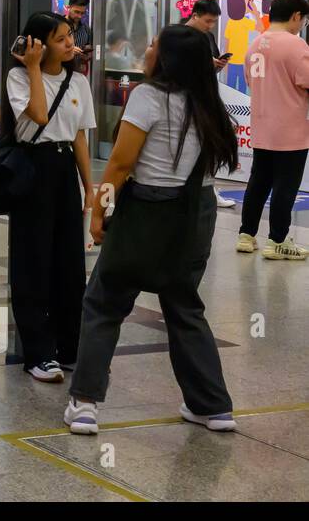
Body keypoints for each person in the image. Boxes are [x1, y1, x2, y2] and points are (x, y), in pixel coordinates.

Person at [66, 24, 239, 435]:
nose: (147, 51)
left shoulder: (147, 97)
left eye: (154, 46)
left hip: (146, 211)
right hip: (197, 212)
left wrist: (97, 211)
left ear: (168, 59)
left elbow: (122, 164)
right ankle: (213, 407)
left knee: (105, 301)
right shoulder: (210, 103)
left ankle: (86, 404)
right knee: (183, 305)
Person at [0, 11, 97, 382]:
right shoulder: (19, 77)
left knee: (70, 263)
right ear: (37, 44)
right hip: (32, 169)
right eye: (61, 39)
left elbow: (80, 137)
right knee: (33, 262)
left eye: (70, 36)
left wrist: (89, 186)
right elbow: (39, 114)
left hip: (64, 168)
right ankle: (38, 353)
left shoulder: (79, 82)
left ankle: (69, 346)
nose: (70, 44)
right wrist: (35, 67)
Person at [237, 0, 309, 260]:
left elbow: (249, 80)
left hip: (261, 128)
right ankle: (277, 240)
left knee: (258, 182)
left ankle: (246, 234)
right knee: (285, 187)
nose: (301, 25)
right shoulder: (296, 45)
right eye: (303, 20)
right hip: (290, 131)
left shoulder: (255, 44)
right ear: (295, 16)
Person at [183, 0, 236, 209]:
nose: (210, 26)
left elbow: (210, 68)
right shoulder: (178, 36)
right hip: (186, 97)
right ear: (194, 15)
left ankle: (208, 186)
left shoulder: (208, 37)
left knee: (211, 142)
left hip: (206, 95)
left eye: (214, 21)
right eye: (207, 21)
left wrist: (217, 65)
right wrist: (205, 63)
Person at [65, 0, 92, 76]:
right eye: (76, 12)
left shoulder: (86, 29)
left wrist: (87, 54)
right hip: (60, 73)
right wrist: (69, 51)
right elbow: (50, 50)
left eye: (82, 13)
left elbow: (88, 46)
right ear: (68, 8)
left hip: (78, 74)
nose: (79, 16)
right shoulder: (57, 25)